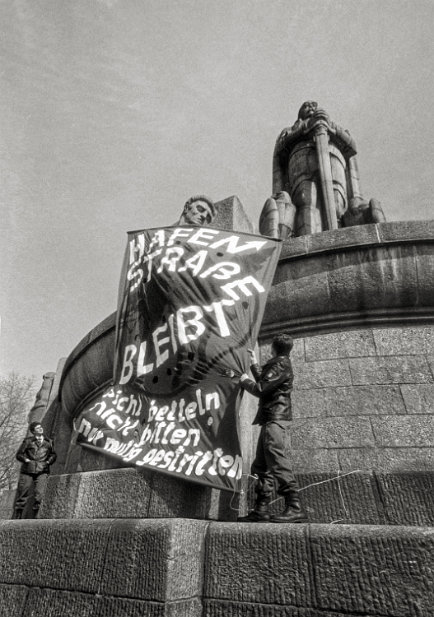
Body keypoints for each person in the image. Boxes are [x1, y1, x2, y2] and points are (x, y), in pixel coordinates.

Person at [235, 334, 307, 523]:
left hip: (276, 417)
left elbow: (260, 389)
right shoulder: (280, 364)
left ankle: (295, 506)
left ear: (273, 349)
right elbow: (266, 383)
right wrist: (254, 363)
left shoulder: (281, 364)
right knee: (261, 465)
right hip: (271, 417)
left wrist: (244, 380)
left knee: (275, 457)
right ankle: (261, 509)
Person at [12, 421, 57, 519]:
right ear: (33, 431)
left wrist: (48, 462)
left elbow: (53, 454)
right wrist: (26, 460)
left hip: (42, 469)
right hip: (28, 470)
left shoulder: (49, 441)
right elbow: (19, 454)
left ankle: (36, 514)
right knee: (23, 492)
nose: (41, 428)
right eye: (38, 428)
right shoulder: (28, 441)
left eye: (41, 427)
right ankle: (18, 514)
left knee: (40, 494)